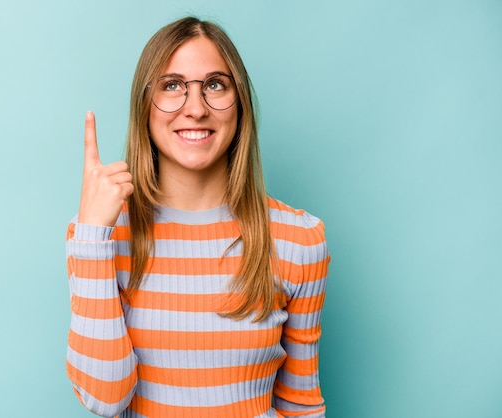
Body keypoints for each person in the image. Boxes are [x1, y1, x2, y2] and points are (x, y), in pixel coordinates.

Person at [65, 16, 330, 418]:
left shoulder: (299, 240)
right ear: (144, 104)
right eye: (172, 86)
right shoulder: (100, 237)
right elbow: (105, 397)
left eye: (214, 85)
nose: (195, 108)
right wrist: (90, 237)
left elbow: (301, 402)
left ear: (239, 104)